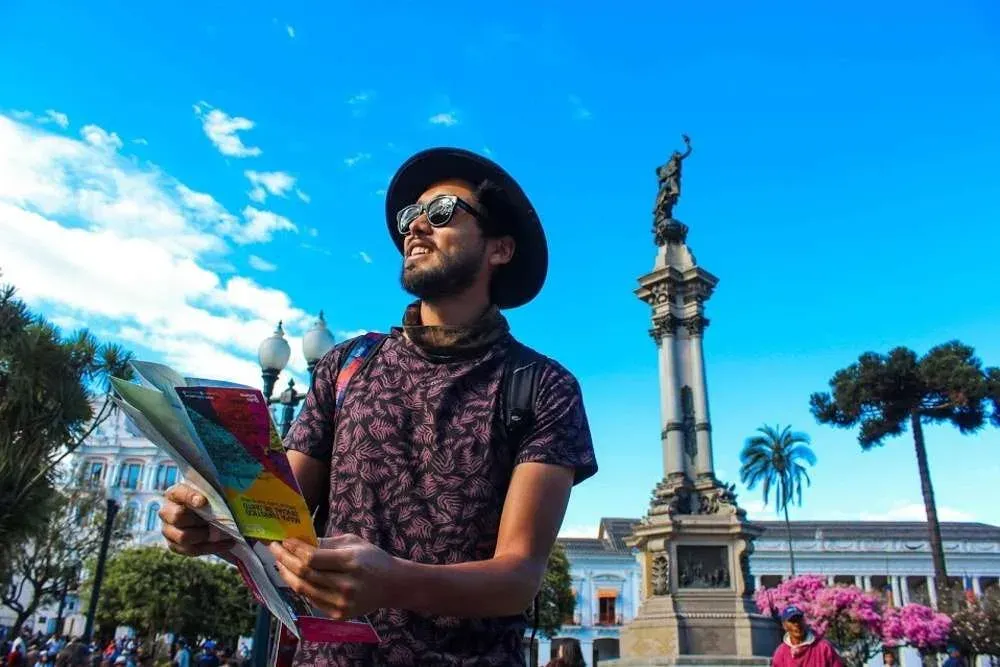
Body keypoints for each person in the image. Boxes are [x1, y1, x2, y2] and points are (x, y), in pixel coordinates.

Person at [158, 147, 598, 665]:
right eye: (410, 216)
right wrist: (217, 526)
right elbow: (277, 521)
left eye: (441, 213)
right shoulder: (347, 365)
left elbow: (519, 577)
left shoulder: (543, 386)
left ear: (499, 249)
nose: (415, 228)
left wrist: (396, 583)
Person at [771, 606, 843, 667]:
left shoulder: (823, 648)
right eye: (792, 621)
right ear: (784, 626)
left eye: (799, 619)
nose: (797, 624)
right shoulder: (781, 653)